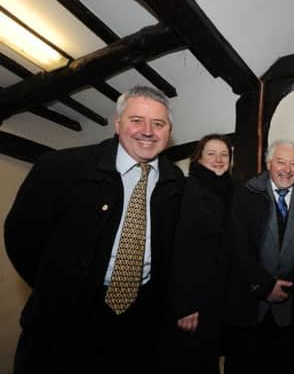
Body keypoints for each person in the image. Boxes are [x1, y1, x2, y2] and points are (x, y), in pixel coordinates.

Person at [4, 86, 185, 374]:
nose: (147, 131)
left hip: (139, 324)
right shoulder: (60, 167)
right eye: (136, 120)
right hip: (65, 321)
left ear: (169, 131)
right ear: (118, 124)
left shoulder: (177, 183)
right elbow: (21, 236)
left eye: (158, 124)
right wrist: (59, 288)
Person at [223, 140, 294, 374]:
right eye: (281, 162)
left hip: (291, 303)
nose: (287, 169)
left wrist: (289, 285)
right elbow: (238, 245)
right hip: (249, 302)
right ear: (269, 163)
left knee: (285, 365)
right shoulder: (245, 193)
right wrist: (265, 285)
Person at [170, 134, 235, 374]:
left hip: (219, 298)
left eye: (224, 155)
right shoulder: (187, 189)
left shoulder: (230, 191)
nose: (218, 160)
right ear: (197, 158)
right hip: (195, 300)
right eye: (211, 154)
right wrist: (186, 304)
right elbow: (180, 248)